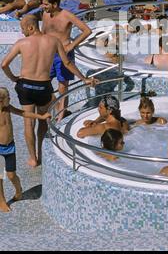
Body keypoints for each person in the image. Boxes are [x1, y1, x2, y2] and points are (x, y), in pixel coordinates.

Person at [1, 15, 96, 167]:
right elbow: (66, 62)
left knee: (28, 123)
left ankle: (33, 159)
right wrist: (83, 78)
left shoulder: (22, 43)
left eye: (23, 29)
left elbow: (4, 64)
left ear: (31, 27)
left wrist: (13, 78)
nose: (23, 32)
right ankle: (41, 151)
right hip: (43, 87)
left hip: (25, 86)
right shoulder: (54, 41)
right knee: (42, 120)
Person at [41, 0, 92, 120]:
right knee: (43, 83)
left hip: (63, 54)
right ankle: (59, 109)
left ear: (55, 4)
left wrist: (72, 45)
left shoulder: (67, 15)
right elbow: (43, 33)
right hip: (48, 54)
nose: (43, 6)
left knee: (63, 87)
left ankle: (60, 118)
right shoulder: (45, 14)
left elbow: (87, 30)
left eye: (46, 4)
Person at [0, 87, 50, 212]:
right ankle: (2, 201)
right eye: (8, 98)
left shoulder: (8, 108)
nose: (10, 99)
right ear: (0, 100)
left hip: (10, 146)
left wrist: (41, 116)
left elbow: (23, 113)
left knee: (12, 175)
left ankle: (19, 190)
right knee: (0, 176)